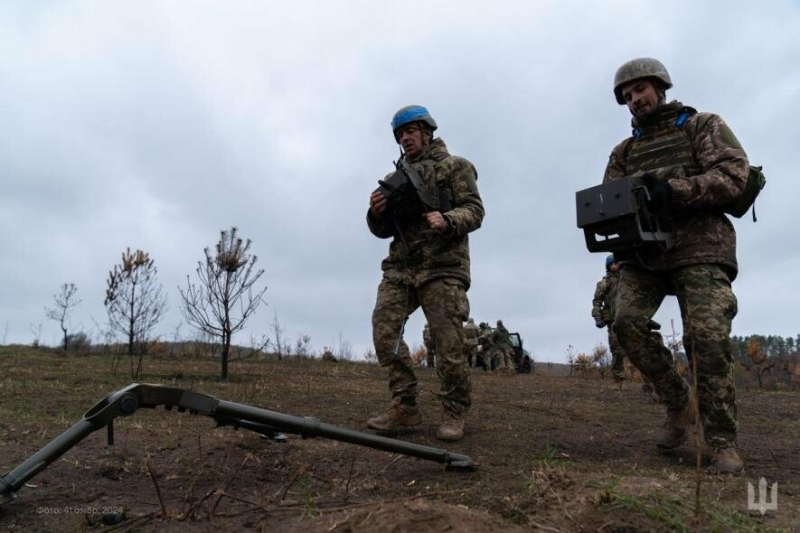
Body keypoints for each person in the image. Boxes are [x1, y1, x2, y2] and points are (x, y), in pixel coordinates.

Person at [603, 58, 749, 473]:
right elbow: (611, 202)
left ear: (660, 87)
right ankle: (678, 403)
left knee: (704, 336)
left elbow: (733, 175)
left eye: (640, 90)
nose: (635, 100)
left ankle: (720, 441)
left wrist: (674, 190)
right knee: (625, 322)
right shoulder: (624, 151)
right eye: (628, 97)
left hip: (701, 245)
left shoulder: (701, 126)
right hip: (645, 255)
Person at [366, 104, 485, 442]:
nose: (405, 138)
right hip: (402, 268)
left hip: (443, 267)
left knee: (449, 343)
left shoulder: (455, 166)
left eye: (411, 131)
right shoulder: (395, 179)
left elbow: (475, 210)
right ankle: (405, 404)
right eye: (400, 134)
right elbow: (383, 229)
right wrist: (375, 214)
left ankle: (453, 412)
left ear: (427, 131)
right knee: (384, 332)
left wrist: (448, 219)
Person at [592, 254, 626, 382]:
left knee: (635, 347)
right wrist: (598, 318)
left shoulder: (627, 281)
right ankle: (618, 377)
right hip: (613, 320)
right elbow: (596, 302)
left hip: (629, 319)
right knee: (616, 349)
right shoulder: (604, 283)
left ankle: (648, 380)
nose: (614, 266)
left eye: (616, 263)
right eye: (611, 264)